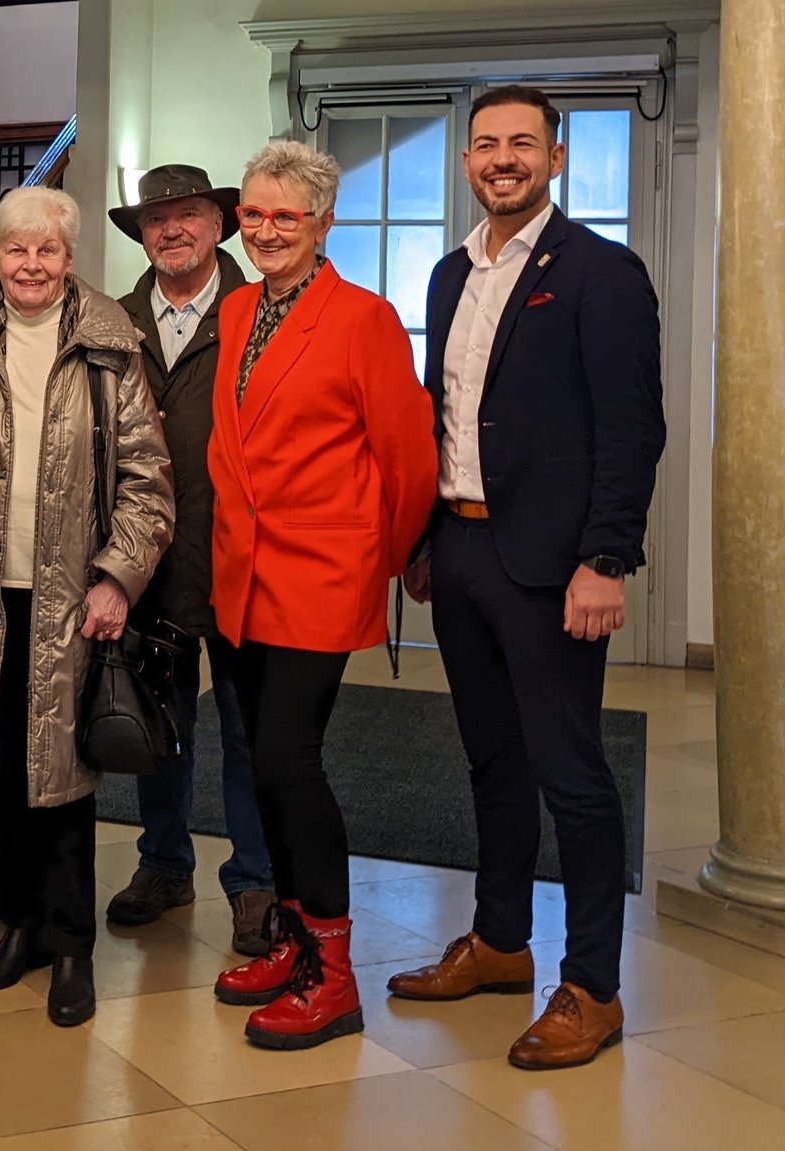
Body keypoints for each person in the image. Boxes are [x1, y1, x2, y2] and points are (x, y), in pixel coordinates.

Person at [390, 86, 664, 1071]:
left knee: (571, 776)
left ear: (553, 156)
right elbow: (443, 414)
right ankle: (499, 942)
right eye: (483, 144)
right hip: (459, 552)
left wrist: (604, 558)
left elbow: (630, 431)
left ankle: (591, 984)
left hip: (552, 567)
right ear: (465, 162)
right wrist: (421, 536)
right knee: (489, 764)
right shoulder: (445, 273)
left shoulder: (601, 272)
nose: (500, 157)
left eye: (520, 142)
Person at [0, 186, 174, 1027]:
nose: (31, 265)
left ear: (69, 258)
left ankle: (71, 945)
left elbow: (148, 483)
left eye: (47, 251)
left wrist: (115, 578)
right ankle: (18, 922)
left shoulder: (108, 346)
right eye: (15, 250)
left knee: (60, 776)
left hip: (71, 600)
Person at [205, 141, 436, 1050]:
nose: (264, 229)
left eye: (284, 216)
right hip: (241, 573)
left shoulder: (363, 318)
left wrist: (380, 556)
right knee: (260, 764)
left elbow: (408, 459)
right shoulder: (233, 310)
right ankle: (293, 942)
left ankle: (333, 976)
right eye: (253, 214)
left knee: (292, 762)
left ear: (323, 222)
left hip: (320, 572)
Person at [106, 165, 276, 955]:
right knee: (155, 725)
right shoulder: (112, 320)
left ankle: (254, 883)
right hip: (147, 561)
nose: (172, 229)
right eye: (157, 219)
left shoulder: (260, 309)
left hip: (242, 557)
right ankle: (163, 863)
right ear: (141, 234)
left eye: (189, 215)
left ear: (219, 224)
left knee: (248, 733)